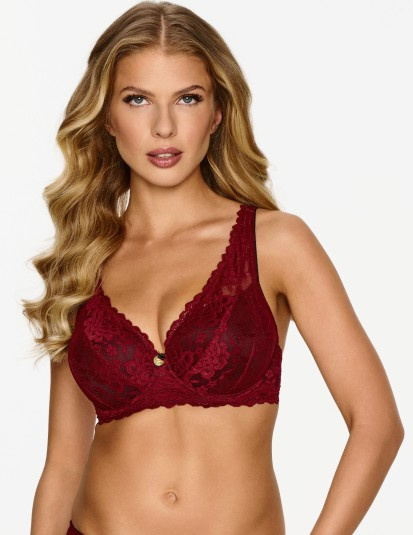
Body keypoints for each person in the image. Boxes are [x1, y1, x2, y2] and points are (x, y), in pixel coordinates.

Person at [23, 2, 404, 534]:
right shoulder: (83, 260)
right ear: (107, 116)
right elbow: (63, 463)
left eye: (188, 98)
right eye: (137, 99)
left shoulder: (276, 243)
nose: (163, 127)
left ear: (217, 112)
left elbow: (377, 425)